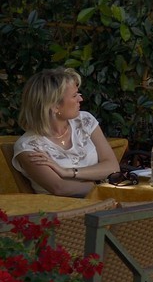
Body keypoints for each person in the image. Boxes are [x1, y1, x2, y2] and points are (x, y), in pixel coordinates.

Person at [12, 67, 121, 197]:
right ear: (54, 106)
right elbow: (60, 188)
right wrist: (103, 187)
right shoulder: (29, 146)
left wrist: (68, 172)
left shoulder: (84, 121)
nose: (80, 99)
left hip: (102, 202)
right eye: (74, 95)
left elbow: (112, 167)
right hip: (64, 208)